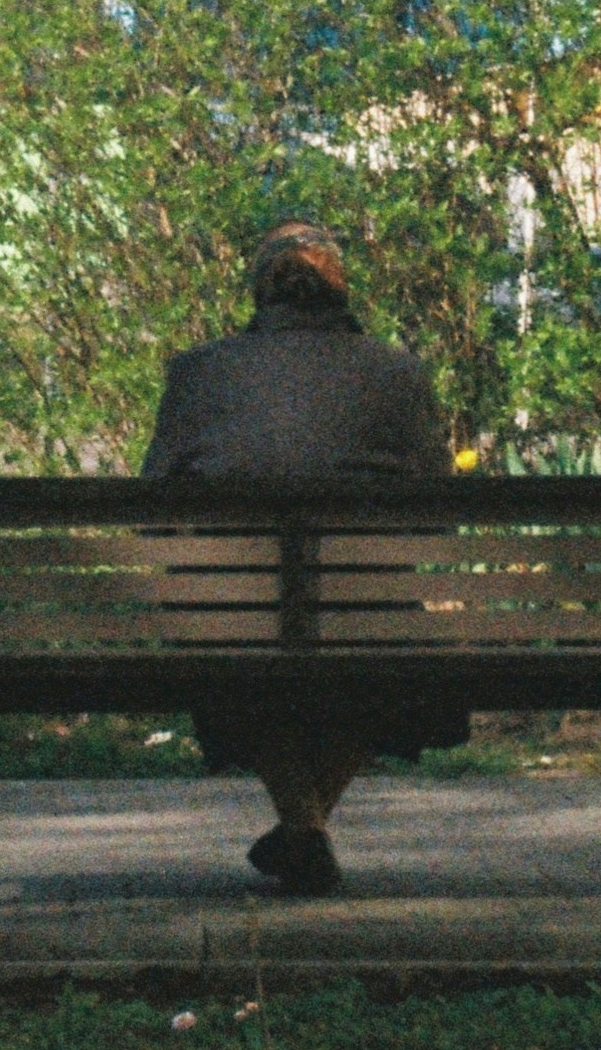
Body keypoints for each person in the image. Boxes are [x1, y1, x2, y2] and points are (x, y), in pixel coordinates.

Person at [143, 220, 456, 894]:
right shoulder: (398, 371)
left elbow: (153, 499)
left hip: (233, 613)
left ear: (260, 292)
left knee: (231, 651)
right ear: (339, 292)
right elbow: (437, 506)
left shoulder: (197, 371)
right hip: (364, 608)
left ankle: (304, 827)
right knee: (389, 654)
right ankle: (305, 827)